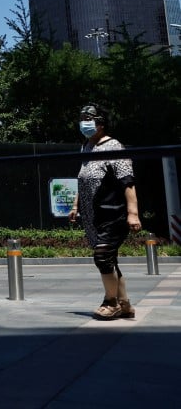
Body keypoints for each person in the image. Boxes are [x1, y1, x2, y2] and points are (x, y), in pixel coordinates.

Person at [68, 103, 141, 320]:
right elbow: (83, 179)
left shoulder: (114, 146)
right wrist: (75, 206)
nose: (84, 123)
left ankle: (110, 302)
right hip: (93, 215)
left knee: (102, 257)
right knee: (110, 260)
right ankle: (125, 304)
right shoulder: (86, 147)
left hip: (113, 212)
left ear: (101, 123)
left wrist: (133, 212)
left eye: (89, 119)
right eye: (82, 118)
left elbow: (127, 181)